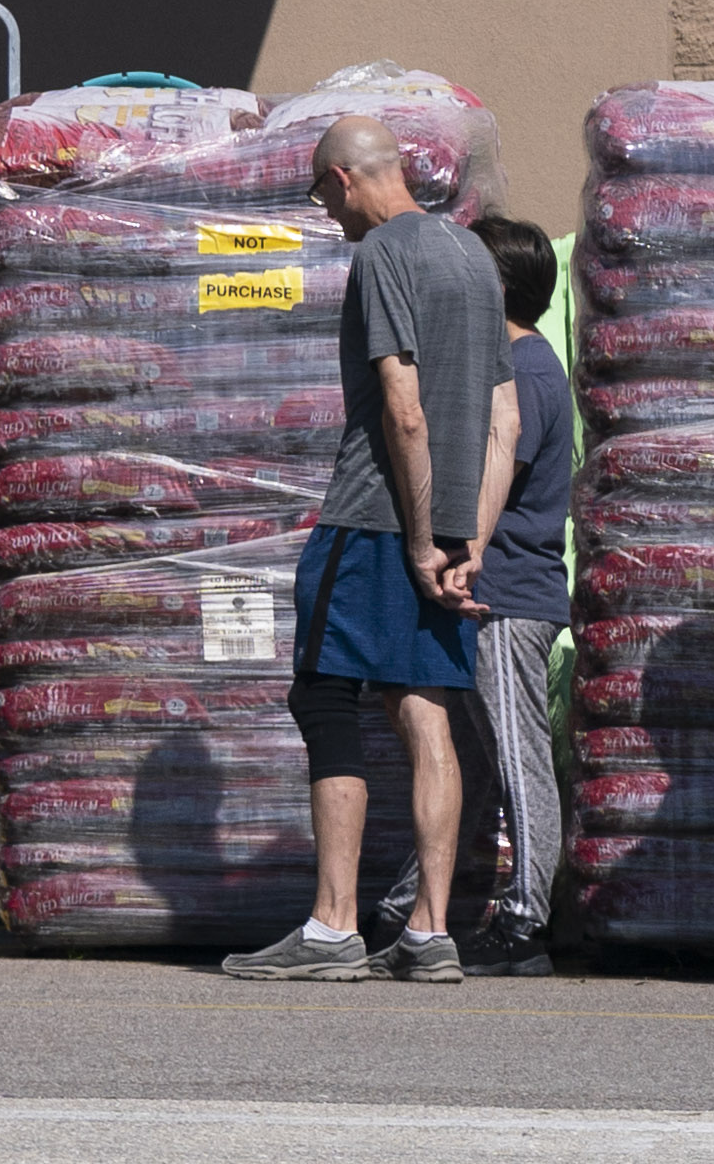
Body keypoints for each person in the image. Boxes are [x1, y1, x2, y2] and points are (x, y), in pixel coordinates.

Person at [220, 110, 505, 983]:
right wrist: (469, 544)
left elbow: (404, 406)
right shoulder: (474, 255)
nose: (325, 214)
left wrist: (420, 542)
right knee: (427, 717)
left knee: (326, 700)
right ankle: (430, 931)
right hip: (454, 525)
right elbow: (505, 416)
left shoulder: (383, 253)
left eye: (320, 194)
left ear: (343, 179)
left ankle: (335, 927)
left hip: (376, 520)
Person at [466, 210, 571, 976]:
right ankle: (413, 903)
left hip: (508, 596)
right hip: (492, 592)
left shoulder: (526, 372)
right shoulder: (507, 366)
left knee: (514, 754)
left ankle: (528, 919)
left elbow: (498, 477)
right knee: (473, 762)